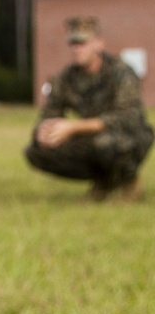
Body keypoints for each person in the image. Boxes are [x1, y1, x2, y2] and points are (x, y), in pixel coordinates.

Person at [25, 16, 153, 200]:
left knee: (105, 144)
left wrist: (74, 127)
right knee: (36, 152)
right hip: (93, 138)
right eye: (73, 44)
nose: (77, 49)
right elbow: (48, 114)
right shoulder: (65, 78)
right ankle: (104, 181)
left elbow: (128, 117)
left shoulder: (120, 72)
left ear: (99, 44)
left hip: (130, 137)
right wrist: (43, 132)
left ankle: (128, 181)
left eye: (82, 43)